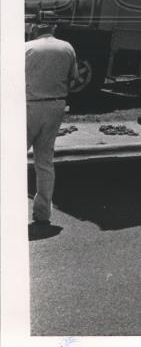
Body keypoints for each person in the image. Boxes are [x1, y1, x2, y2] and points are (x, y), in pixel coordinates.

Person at [26, 22, 79, 226]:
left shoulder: (27, 48)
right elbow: (73, 79)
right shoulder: (67, 47)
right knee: (45, 161)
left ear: (33, 30)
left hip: (29, 104)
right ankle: (42, 213)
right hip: (55, 104)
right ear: (54, 29)